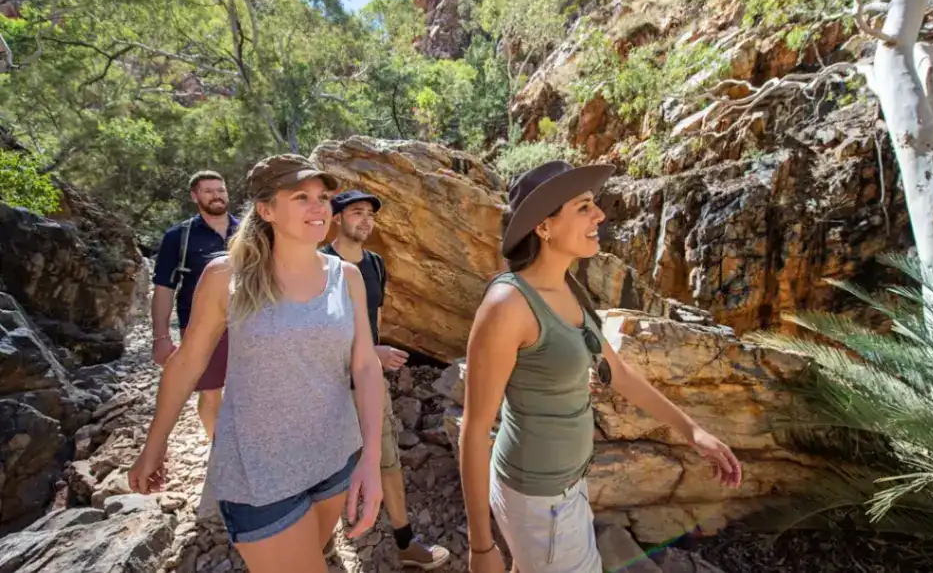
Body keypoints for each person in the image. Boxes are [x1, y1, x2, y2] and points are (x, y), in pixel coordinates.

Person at [459, 160, 743, 573]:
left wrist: (692, 431)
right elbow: (474, 427)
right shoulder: (509, 306)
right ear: (544, 226)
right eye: (583, 207)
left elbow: (619, 373)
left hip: (565, 490)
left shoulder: (567, 286)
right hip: (542, 502)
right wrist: (481, 548)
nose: (600, 215)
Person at [129, 154, 385, 572]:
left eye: (322, 196)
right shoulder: (225, 276)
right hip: (257, 473)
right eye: (301, 196)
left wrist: (370, 460)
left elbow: (365, 367)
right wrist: (153, 447)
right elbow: (187, 364)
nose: (319, 207)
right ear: (266, 210)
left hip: (334, 458)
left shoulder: (347, 277)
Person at [321, 189, 451, 570]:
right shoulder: (319, 264)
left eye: (370, 215)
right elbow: (312, 335)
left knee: (387, 459)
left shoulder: (375, 264)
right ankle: (323, 541)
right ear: (336, 218)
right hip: (324, 384)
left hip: (367, 382)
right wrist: (368, 353)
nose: (365, 220)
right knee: (327, 466)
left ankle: (406, 542)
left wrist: (372, 358)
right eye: (356, 212)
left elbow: (372, 323)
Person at [151, 170, 237, 440]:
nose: (217, 196)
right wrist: (161, 337)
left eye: (220, 189)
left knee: (250, 389)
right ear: (195, 196)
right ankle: (218, 450)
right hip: (200, 327)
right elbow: (164, 288)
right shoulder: (179, 236)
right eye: (208, 191)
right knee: (211, 392)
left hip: (249, 322)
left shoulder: (248, 230)